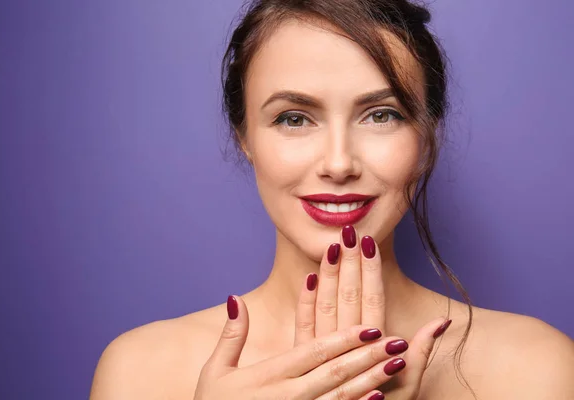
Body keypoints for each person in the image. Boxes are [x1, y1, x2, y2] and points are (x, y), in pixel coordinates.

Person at [89, 1, 574, 399]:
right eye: (294, 118)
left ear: (426, 140)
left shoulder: (535, 369)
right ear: (244, 135)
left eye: (381, 115)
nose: (339, 163)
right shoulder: (140, 373)